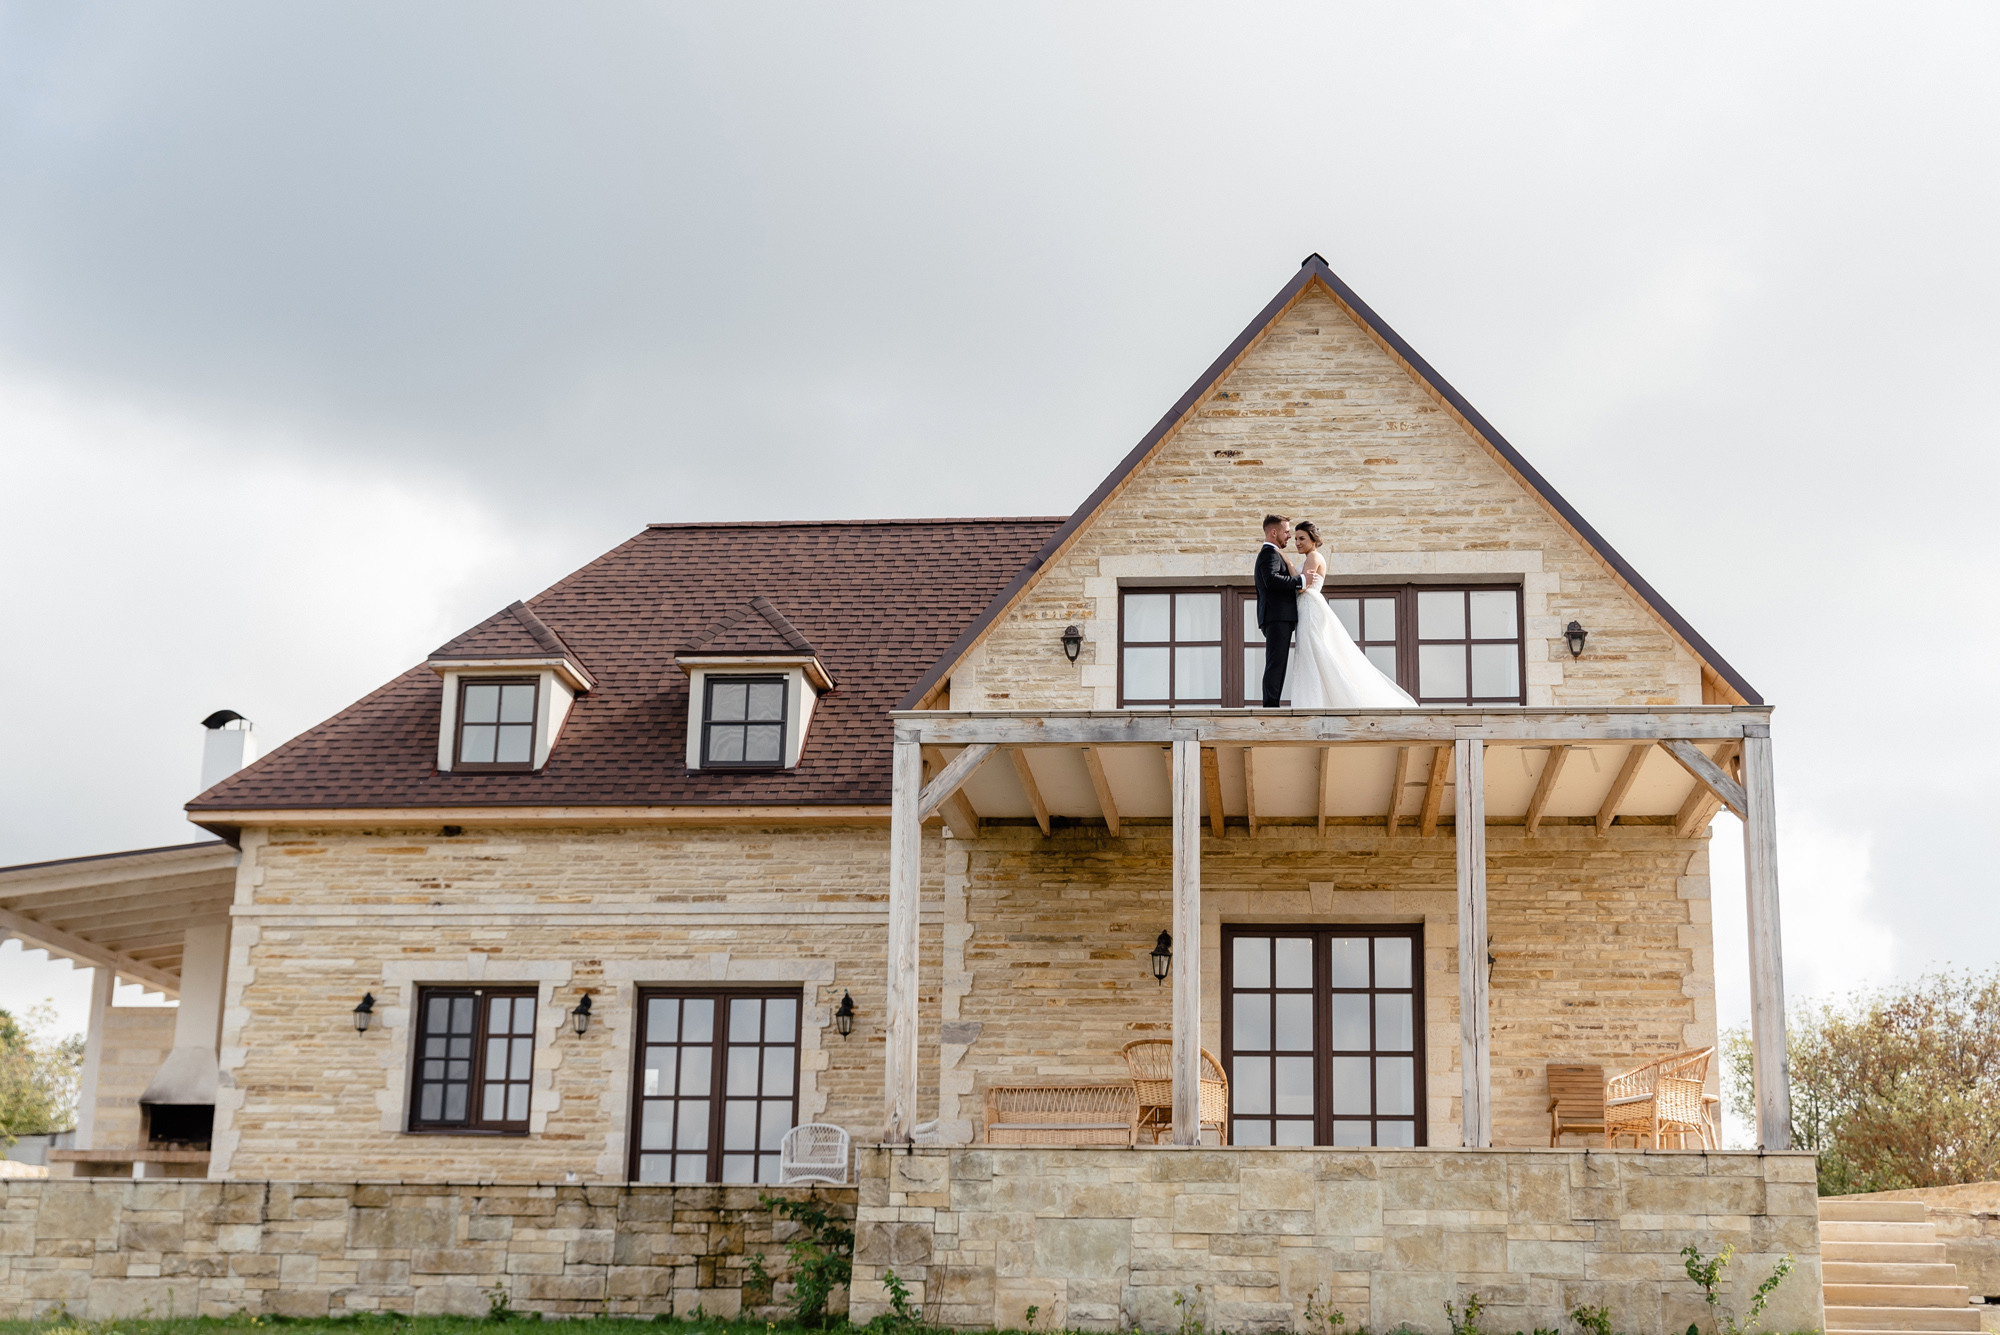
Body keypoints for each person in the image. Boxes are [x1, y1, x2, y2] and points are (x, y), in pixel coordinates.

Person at [1287, 520, 1417, 708]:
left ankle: (1316, 702)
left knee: (1313, 650)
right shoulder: (1310, 558)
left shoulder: (1314, 557)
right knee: (1311, 652)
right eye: (1296, 539)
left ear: (1313, 539)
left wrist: (1288, 563)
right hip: (1306, 608)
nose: (1297, 543)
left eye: (1302, 539)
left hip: (1309, 607)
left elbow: (1301, 586)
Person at [1252, 514, 1303, 707]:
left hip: (1278, 616)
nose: (1289, 536)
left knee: (1277, 662)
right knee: (1276, 662)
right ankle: (1270, 707)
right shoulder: (1269, 554)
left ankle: (1271, 704)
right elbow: (1272, 580)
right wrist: (1300, 581)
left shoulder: (1273, 553)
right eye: (1287, 532)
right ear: (1274, 532)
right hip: (1276, 616)